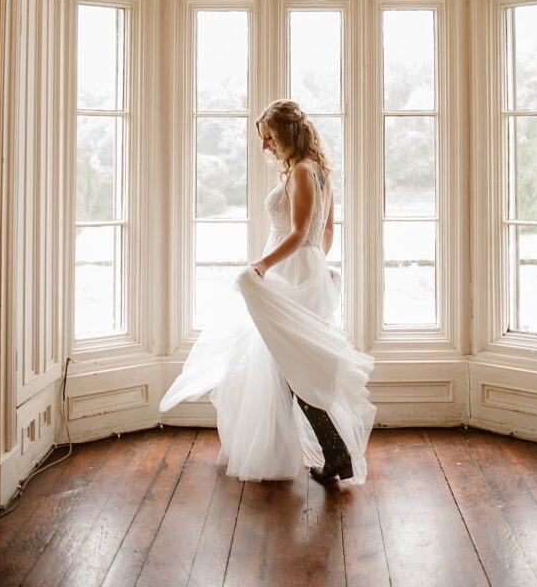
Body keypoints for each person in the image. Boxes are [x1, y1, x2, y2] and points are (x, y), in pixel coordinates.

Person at [159, 99, 376, 485]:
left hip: (290, 272)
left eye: (269, 137)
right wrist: (312, 263)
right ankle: (330, 453)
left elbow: (298, 232)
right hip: (303, 269)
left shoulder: (304, 173)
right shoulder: (317, 171)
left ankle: (335, 452)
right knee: (289, 364)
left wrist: (265, 265)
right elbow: (324, 233)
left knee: (293, 365)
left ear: (288, 133)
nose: (265, 147)